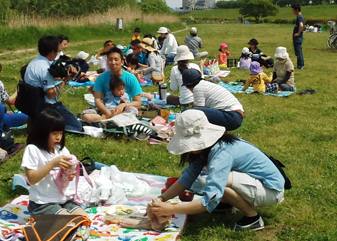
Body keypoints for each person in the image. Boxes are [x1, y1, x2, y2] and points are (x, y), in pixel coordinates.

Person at [147, 110, 284, 231]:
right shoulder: (207, 149)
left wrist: (171, 209)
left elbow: (209, 200)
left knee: (216, 183)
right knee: (208, 180)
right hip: (256, 183)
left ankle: (252, 218)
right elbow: (187, 178)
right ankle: (226, 204)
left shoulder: (222, 154)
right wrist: (162, 198)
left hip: (271, 190)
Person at [20, 108, 87, 217]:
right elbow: (32, 179)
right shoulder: (33, 149)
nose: (58, 137)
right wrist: (52, 164)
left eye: (61, 133)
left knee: (83, 218)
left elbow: (64, 177)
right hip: (42, 203)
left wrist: (70, 175)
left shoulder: (62, 150)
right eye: (54, 133)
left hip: (63, 200)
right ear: (42, 132)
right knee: (67, 222)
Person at [23, 35, 83, 132]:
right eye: (57, 51)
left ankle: (39, 123)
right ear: (51, 52)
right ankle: (47, 127)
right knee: (76, 126)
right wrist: (65, 81)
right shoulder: (45, 68)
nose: (57, 54)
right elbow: (51, 94)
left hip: (33, 104)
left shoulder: (33, 63)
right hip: (47, 106)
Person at [180, 68, 245, 131]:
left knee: (189, 112)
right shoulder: (205, 84)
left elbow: (198, 113)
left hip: (230, 117)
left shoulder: (198, 88)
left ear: (187, 86)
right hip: (235, 115)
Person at [92, 48, 143, 121]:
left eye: (116, 59)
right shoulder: (100, 78)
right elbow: (97, 101)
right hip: (106, 109)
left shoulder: (131, 78)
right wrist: (107, 113)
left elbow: (138, 102)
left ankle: (104, 120)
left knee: (133, 111)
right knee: (85, 114)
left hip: (125, 109)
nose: (113, 62)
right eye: (110, 59)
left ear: (122, 62)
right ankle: (113, 120)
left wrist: (123, 105)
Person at [291, 4, 305, 70]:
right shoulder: (300, 17)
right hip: (298, 37)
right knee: (299, 51)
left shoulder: (299, 17)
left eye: (293, 10)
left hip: (297, 38)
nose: (293, 11)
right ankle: (300, 65)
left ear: (297, 10)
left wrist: (298, 33)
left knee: (298, 52)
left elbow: (301, 25)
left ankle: (300, 66)